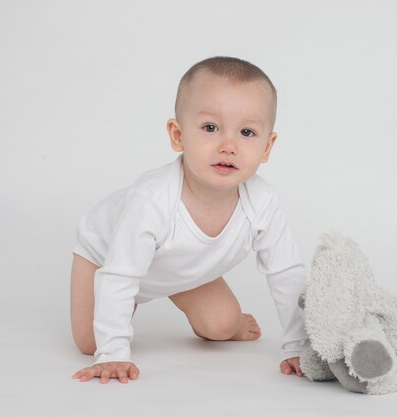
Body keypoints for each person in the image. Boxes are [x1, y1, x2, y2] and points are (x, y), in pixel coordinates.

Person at [70, 56, 308, 384]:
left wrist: (298, 345)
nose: (228, 146)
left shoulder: (263, 201)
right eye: (210, 128)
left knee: (221, 325)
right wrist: (113, 354)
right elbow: (119, 275)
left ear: (267, 147)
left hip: (178, 265)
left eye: (247, 132)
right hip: (107, 259)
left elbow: (286, 273)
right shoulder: (151, 200)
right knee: (90, 342)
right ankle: (121, 318)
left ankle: (220, 315)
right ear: (177, 135)